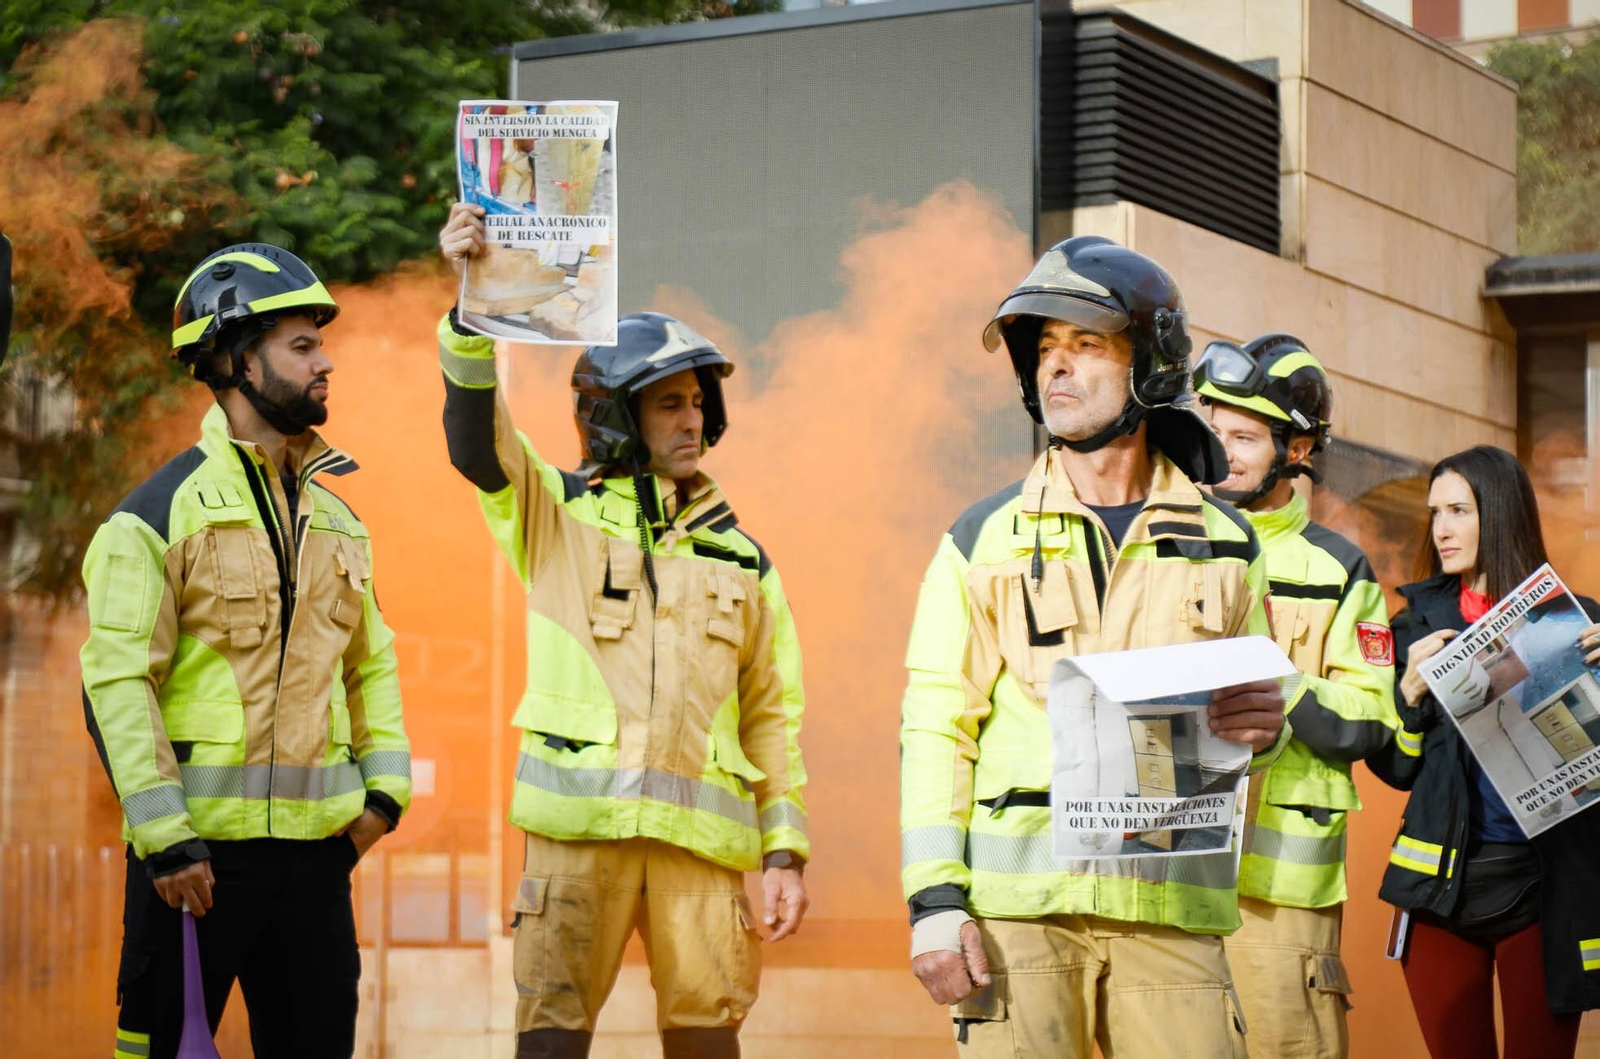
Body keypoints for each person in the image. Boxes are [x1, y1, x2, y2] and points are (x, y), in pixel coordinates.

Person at [898, 235, 1295, 1057]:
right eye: (1045, 348)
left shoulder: (1228, 543)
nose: (1056, 365)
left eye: (1085, 344)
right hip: (1021, 919)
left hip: (1170, 912)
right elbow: (936, 725)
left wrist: (1269, 727)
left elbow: (1254, 717)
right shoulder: (981, 539)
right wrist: (934, 899)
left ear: (1151, 361)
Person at [436, 202, 810, 1059]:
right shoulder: (555, 514)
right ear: (617, 415)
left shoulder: (743, 559)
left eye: (698, 403)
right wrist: (469, 313)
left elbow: (773, 714)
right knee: (552, 1045)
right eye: (670, 403)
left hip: (701, 855)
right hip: (577, 843)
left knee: (707, 1046)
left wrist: (785, 849)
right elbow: (477, 445)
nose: (692, 420)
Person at [82, 244, 411, 1059]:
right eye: (301, 346)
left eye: (319, 345)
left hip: (316, 866)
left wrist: (383, 797)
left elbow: (370, 664)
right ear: (234, 360)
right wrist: (166, 839)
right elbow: (118, 684)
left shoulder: (341, 521)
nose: (325, 362)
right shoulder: (153, 516)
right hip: (192, 868)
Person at [1193, 334, 1398, 1057]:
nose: (1221, 452)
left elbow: (1373, 714)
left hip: (1279, 895)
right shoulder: (1164, 544)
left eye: (1244, 437)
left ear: (1299, 450)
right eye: (1214, 431)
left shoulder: (1339, 568)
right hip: (1161, 874)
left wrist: (1274, 684)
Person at [1368, 444, 1600, 1059]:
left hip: (1547, 890)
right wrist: (1409, 698)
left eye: (1459, 511)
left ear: (1500, 513)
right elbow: (1396, 769)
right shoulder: (1412, 628)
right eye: (1435, 513)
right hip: (1440, 893)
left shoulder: (1579, 621)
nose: (1441, 529)